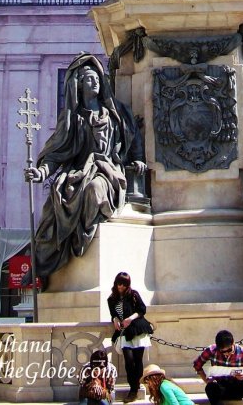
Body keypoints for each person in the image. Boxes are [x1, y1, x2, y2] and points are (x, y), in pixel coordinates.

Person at [24, 54, 145, 283]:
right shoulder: (74, 119)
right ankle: (68, 248)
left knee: (94, 190)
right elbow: (57, 153)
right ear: (78, 85)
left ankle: (85, 238)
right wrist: (41, 172)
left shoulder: (115, 114)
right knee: (60, 196)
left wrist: (137, 158)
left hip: (109, 172)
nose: (95, 83)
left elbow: (133, 136)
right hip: (80, 171)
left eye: (97, 78)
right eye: (89, 79)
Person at [108, 272, 153, 403]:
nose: (121, 287)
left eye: (124, 284)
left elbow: (142, 309)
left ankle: (134, 389)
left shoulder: (133, 294)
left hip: (138, 329)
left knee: (138, 360)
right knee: (129, 361)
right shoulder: (111, 298)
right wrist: (115, 319)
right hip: (124, 333)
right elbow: (113, 313)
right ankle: (133, 387)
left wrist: (130, 318)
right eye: (119, 283)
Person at [193, 330, 243, 405]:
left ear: (233, 342)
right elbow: (197, 365)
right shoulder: (211, 350)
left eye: (229, 350)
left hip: (237, 387)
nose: (226, 353)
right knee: (210, 387)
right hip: (220, 388)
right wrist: (206, 380)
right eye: (223, 352)